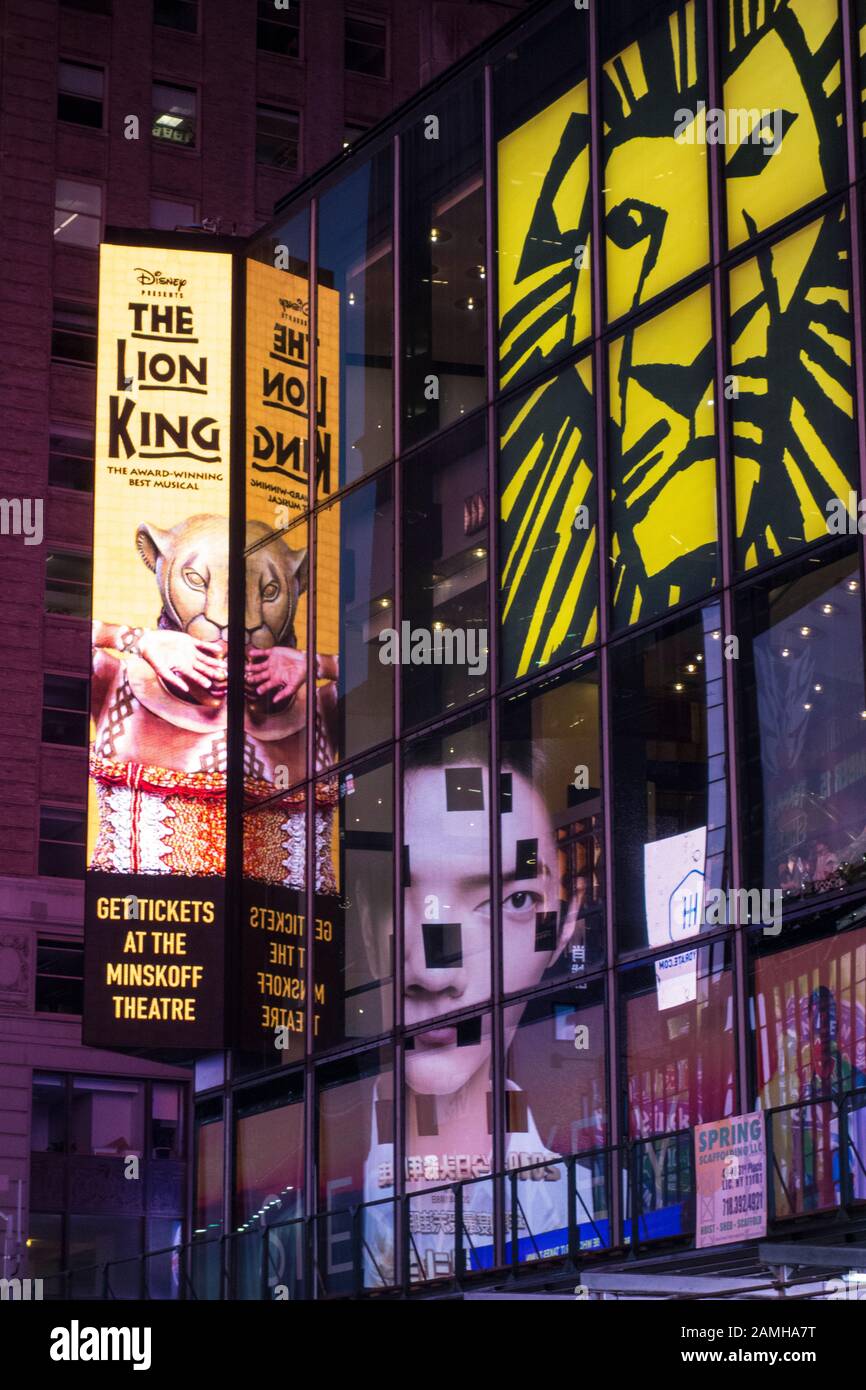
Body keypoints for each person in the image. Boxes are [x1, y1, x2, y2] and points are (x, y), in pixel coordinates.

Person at [361, 741, 597, 1286]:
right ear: (369, 933)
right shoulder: (288, 1204)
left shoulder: (588, 1203)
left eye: (509, 901)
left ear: (562, 927)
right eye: (398, 899)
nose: (432, 972)